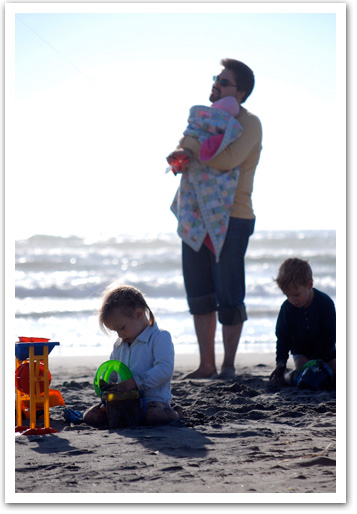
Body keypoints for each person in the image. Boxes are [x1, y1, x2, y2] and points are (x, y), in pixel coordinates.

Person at [167, 58, 263, 379]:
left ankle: (227, 366)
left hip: (233, 216)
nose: (216, 85)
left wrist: (191, 146)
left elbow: (227, 160)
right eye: (216, 79)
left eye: (224, 82)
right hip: (195, 213)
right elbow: (183, 150)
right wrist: (187, 147)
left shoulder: (250, 124)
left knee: (229, 293)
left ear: (241, 92)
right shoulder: (203, 119)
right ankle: (206, 365)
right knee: (199, 293)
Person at [83, 284, 182, 427]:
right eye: (115, 331)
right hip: (124, 403)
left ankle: (176, 413)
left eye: (121, 328)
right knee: (91, 417)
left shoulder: (160, 337)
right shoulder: (119, 345)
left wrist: (135, 382)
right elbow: (114, 371)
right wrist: (109, 385)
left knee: (153, 416)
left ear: (139, 314)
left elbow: (165, 370)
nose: (120, 335)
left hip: (152, 402)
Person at [269, 258, 336, 385]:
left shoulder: (325, 304)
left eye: (296, 295)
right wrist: (281, 362)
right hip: (301, 353)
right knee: (304, 379)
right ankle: (288, 374)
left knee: (335, 376)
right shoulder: (287, 308)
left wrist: (316, 361)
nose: (291, 300)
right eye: (287, 295)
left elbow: (329, 337)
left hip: (327, 354)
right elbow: (283, 337)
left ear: (309, 285)